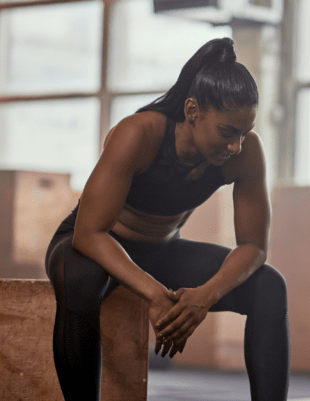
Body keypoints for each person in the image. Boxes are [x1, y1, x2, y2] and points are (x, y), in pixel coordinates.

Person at [44, 37, 289, 401]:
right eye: (227, 132)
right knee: (81, 276)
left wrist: (204, 296)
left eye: (244, 132)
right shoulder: (138, 134)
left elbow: (253, 246)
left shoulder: (246, 153)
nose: (236, 145)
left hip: (162, 250)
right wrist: (156, 295)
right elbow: (89, 234)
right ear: (193, 111)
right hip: (97, 246)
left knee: (269, 286)